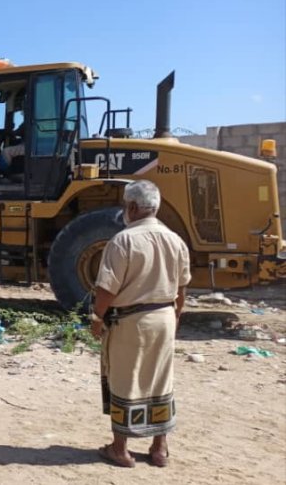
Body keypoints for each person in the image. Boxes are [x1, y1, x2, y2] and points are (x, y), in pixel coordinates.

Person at [90, 180, 191, 469]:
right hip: (165, 317)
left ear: (133, 207)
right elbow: (182, 288)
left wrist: (97, 319)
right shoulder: (175, 239)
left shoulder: (123, 240)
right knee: (161, 380)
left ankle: (120, 449)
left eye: (126, 205)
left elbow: (106, 289)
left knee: (125, 379)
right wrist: (175, 317)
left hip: (131, 321)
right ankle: (159, 449)